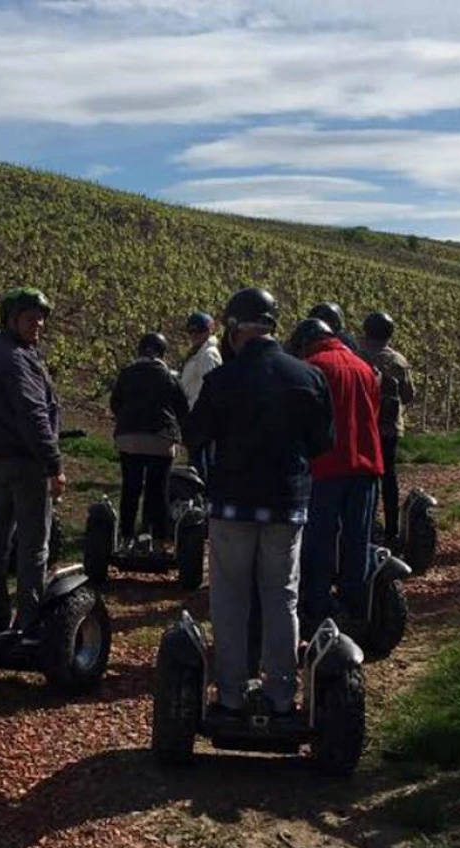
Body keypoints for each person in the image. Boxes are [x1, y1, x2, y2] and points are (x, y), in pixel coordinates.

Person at [184, 288, 335, 718]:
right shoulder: (307, 377)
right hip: (288, 504)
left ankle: (230, 695)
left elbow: (196, 435)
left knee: (230, 599)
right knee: (282, 596)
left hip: (232, 504)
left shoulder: (222, 379)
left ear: (233, 329)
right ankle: (281, 695)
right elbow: (324, 444)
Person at [0, 287, 63, 637]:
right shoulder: (16, 358)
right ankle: (31, 621)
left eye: (41, 317)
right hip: (25, 463)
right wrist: (53, 464)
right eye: (30, 317)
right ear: (11, 320)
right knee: (33, 545)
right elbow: (33, 415)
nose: (38, 323)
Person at [290, 317, 384, 625]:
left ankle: (317, 607)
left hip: (328, 465)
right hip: (367, 463)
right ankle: (356, 608)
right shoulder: (364, 367)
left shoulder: (313, 367)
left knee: (320, 538)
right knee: (358, 538)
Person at [110, 333, 190, 550]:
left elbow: (115, 403)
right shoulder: (170, 376)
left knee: (131, 487)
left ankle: (125, 537)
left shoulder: (126, 373)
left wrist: (127, 421)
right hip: (161, 439)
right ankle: (159, 539)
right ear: (162, 352)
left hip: (129, 438)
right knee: (158, 489)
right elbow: (182, 408)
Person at [358, 312, 415, 547]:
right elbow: (408, 395)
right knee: (389, 477)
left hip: (363, 427)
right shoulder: (399, 361)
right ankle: (392, 529)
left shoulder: (357, 356)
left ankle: (365, 527)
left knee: (363, 478)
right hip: (391, 429)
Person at [178, 312, 222, 480]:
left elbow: (210, 385)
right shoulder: (198, 353)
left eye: (200, 331)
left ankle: (203, 492)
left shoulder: (208, 354)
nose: (195, 335)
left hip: (201, 413)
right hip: (194, 411)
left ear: (209, 331)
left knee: (202, 459)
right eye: (192, 332)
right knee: (195, 457)